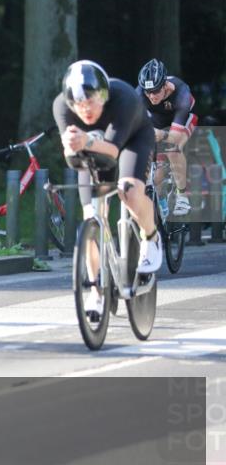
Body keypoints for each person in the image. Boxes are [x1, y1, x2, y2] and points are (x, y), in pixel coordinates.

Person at [53, 60, 160, 316]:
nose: (85, 110)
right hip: (91, 149)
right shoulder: (61, 107)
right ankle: (96, 292)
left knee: (129, 192)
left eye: (91, 102)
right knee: (90, 216)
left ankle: (151, 236)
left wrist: (86, 140)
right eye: (79, 104)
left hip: (132, 141)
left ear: (103, 96)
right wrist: (71, 146)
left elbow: (113, 150)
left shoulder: (122, 98)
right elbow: (70, 154)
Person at [136, 58, 198, 215]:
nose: (152, 96)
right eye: (148, 92)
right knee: (154, 173)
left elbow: (174, 137)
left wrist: (162, 134)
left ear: (165, 85)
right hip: (157, 122)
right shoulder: (139, 94)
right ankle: (160, 204)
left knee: (172, 148)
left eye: (156, 91)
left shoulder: (181, 93)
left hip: (182, 120)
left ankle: (182, 195)